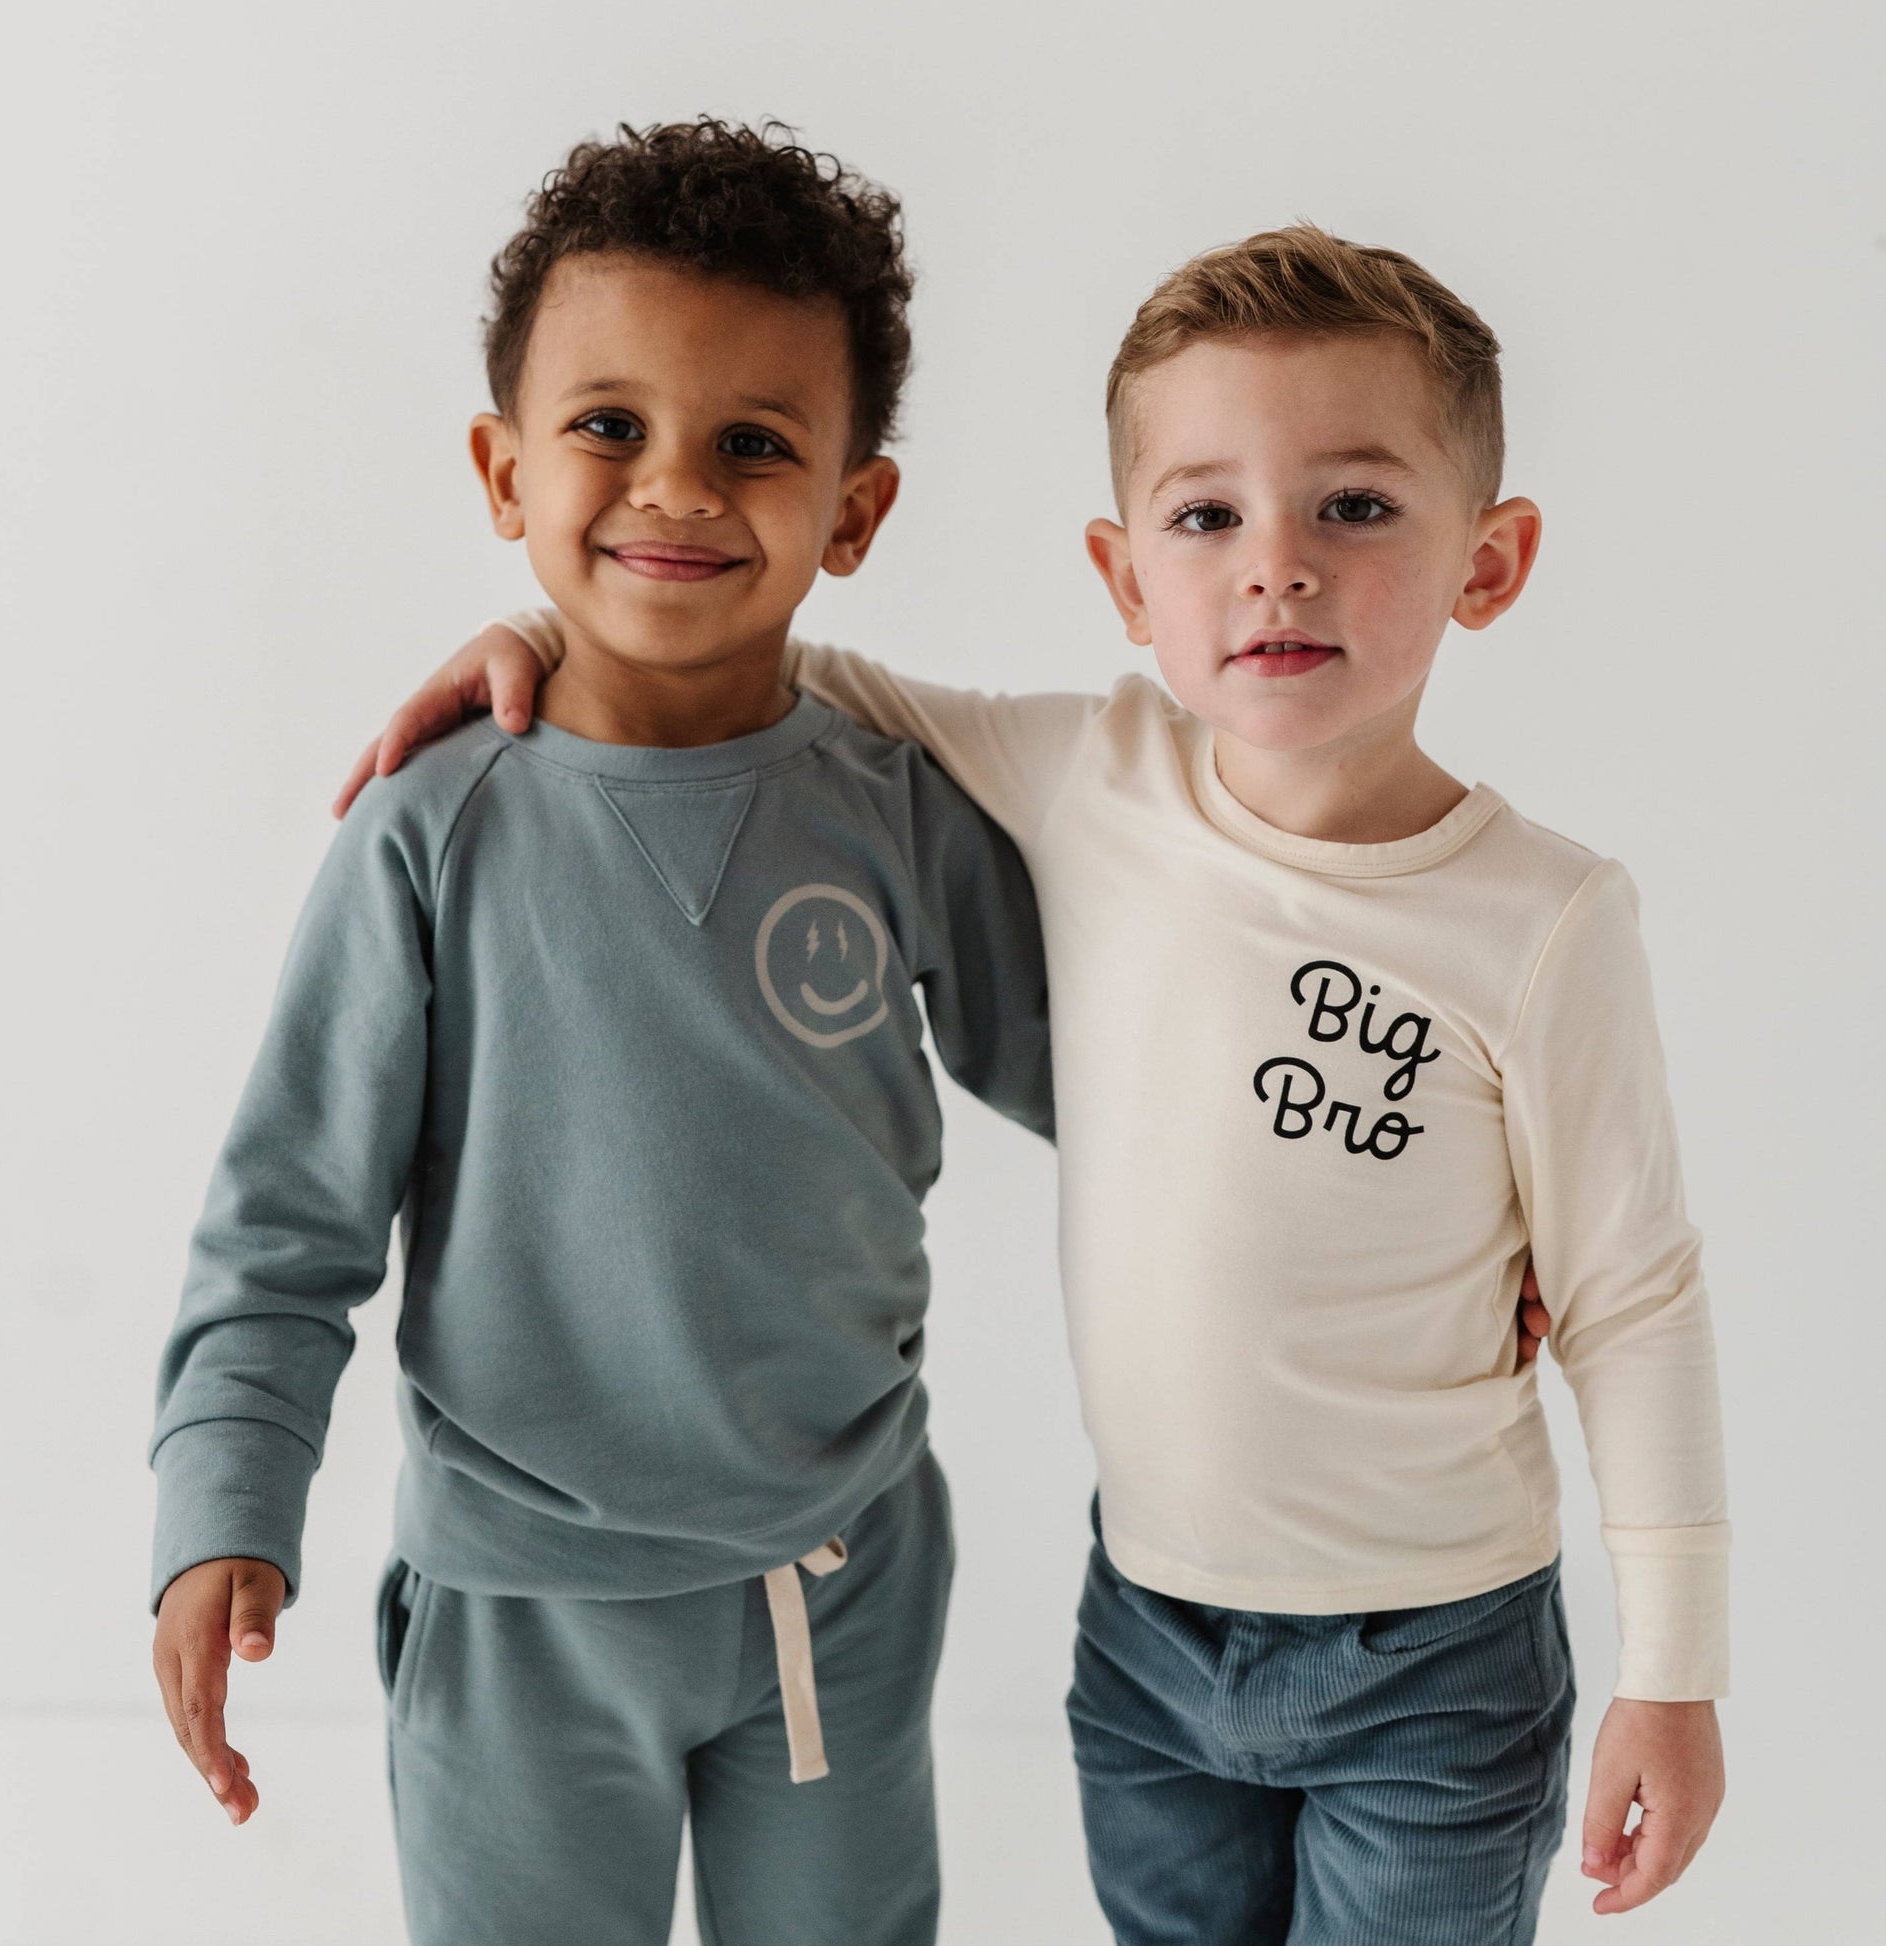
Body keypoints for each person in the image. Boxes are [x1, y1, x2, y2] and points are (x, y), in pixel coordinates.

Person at [358, 225, 1724, 1943]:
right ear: (1121, 571)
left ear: (1490, 557)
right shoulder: (1088, 772)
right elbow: (773, 670)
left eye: (1356, 507)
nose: (1275, 568)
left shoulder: (1542, 916)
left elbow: (1637, 1298)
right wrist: (534, 636)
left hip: (1429, 1657)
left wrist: (1672, 1671)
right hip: (1147, 1636)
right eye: (1207, 515)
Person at [147, 119, 1056, 1946]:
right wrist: (221, 1499)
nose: (677, 487)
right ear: (503, 469)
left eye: (754, 443)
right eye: (608, 426)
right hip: (518, 1612)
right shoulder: (430, 829)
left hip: (843, 1575)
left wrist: (1411, 1224)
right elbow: (286, 1218)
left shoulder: (894, 806)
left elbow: (1124, 1082)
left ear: (854, 512)